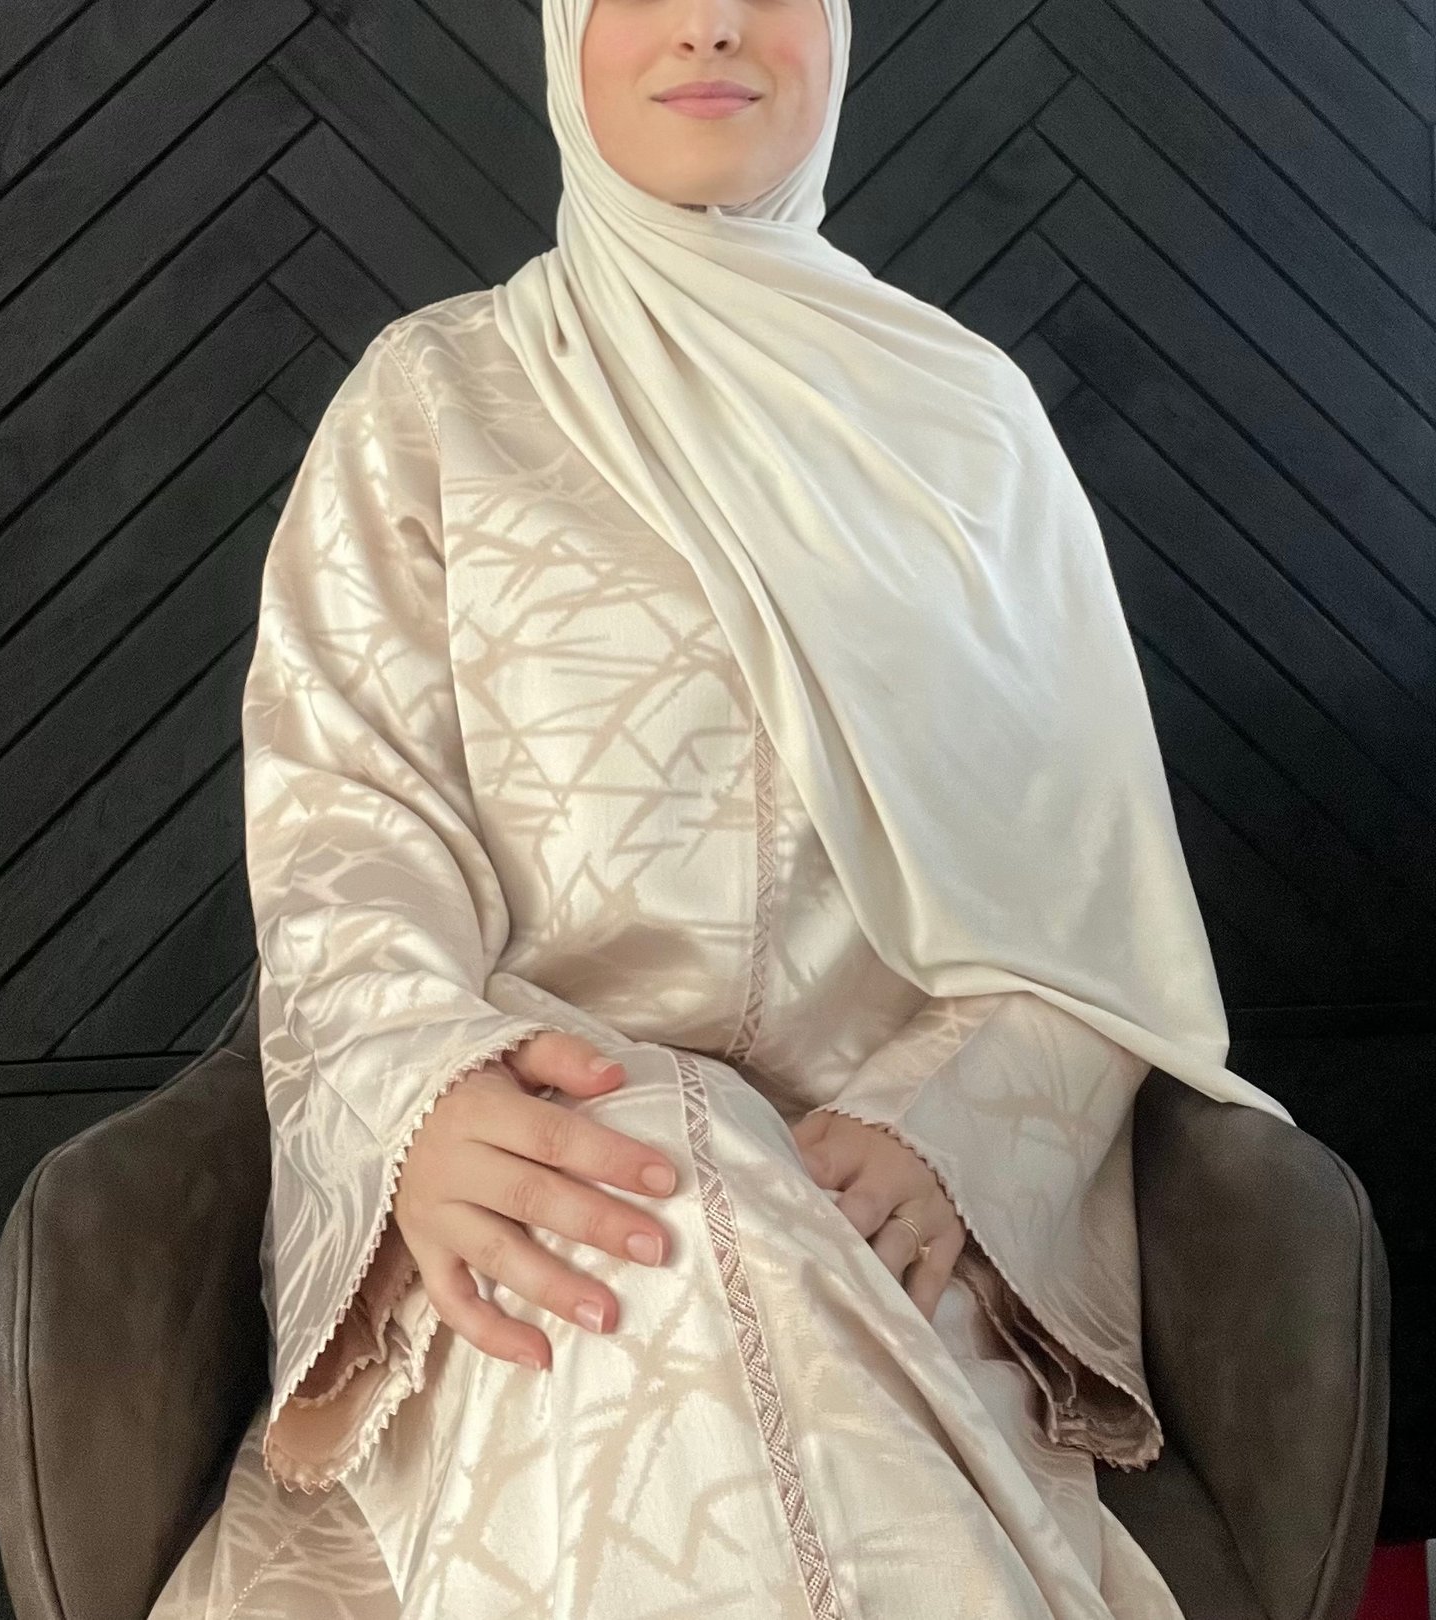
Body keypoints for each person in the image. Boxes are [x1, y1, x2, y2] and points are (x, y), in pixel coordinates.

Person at [148, 1, 1294, 1615]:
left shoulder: (969, 428)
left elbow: (1093, 898)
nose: (707, 24)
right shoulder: (434, 403)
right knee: (646, 1207)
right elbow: (347, 830)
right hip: (537, 1185)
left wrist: (948, 1133)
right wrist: (427, 1098)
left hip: (876, 1221)